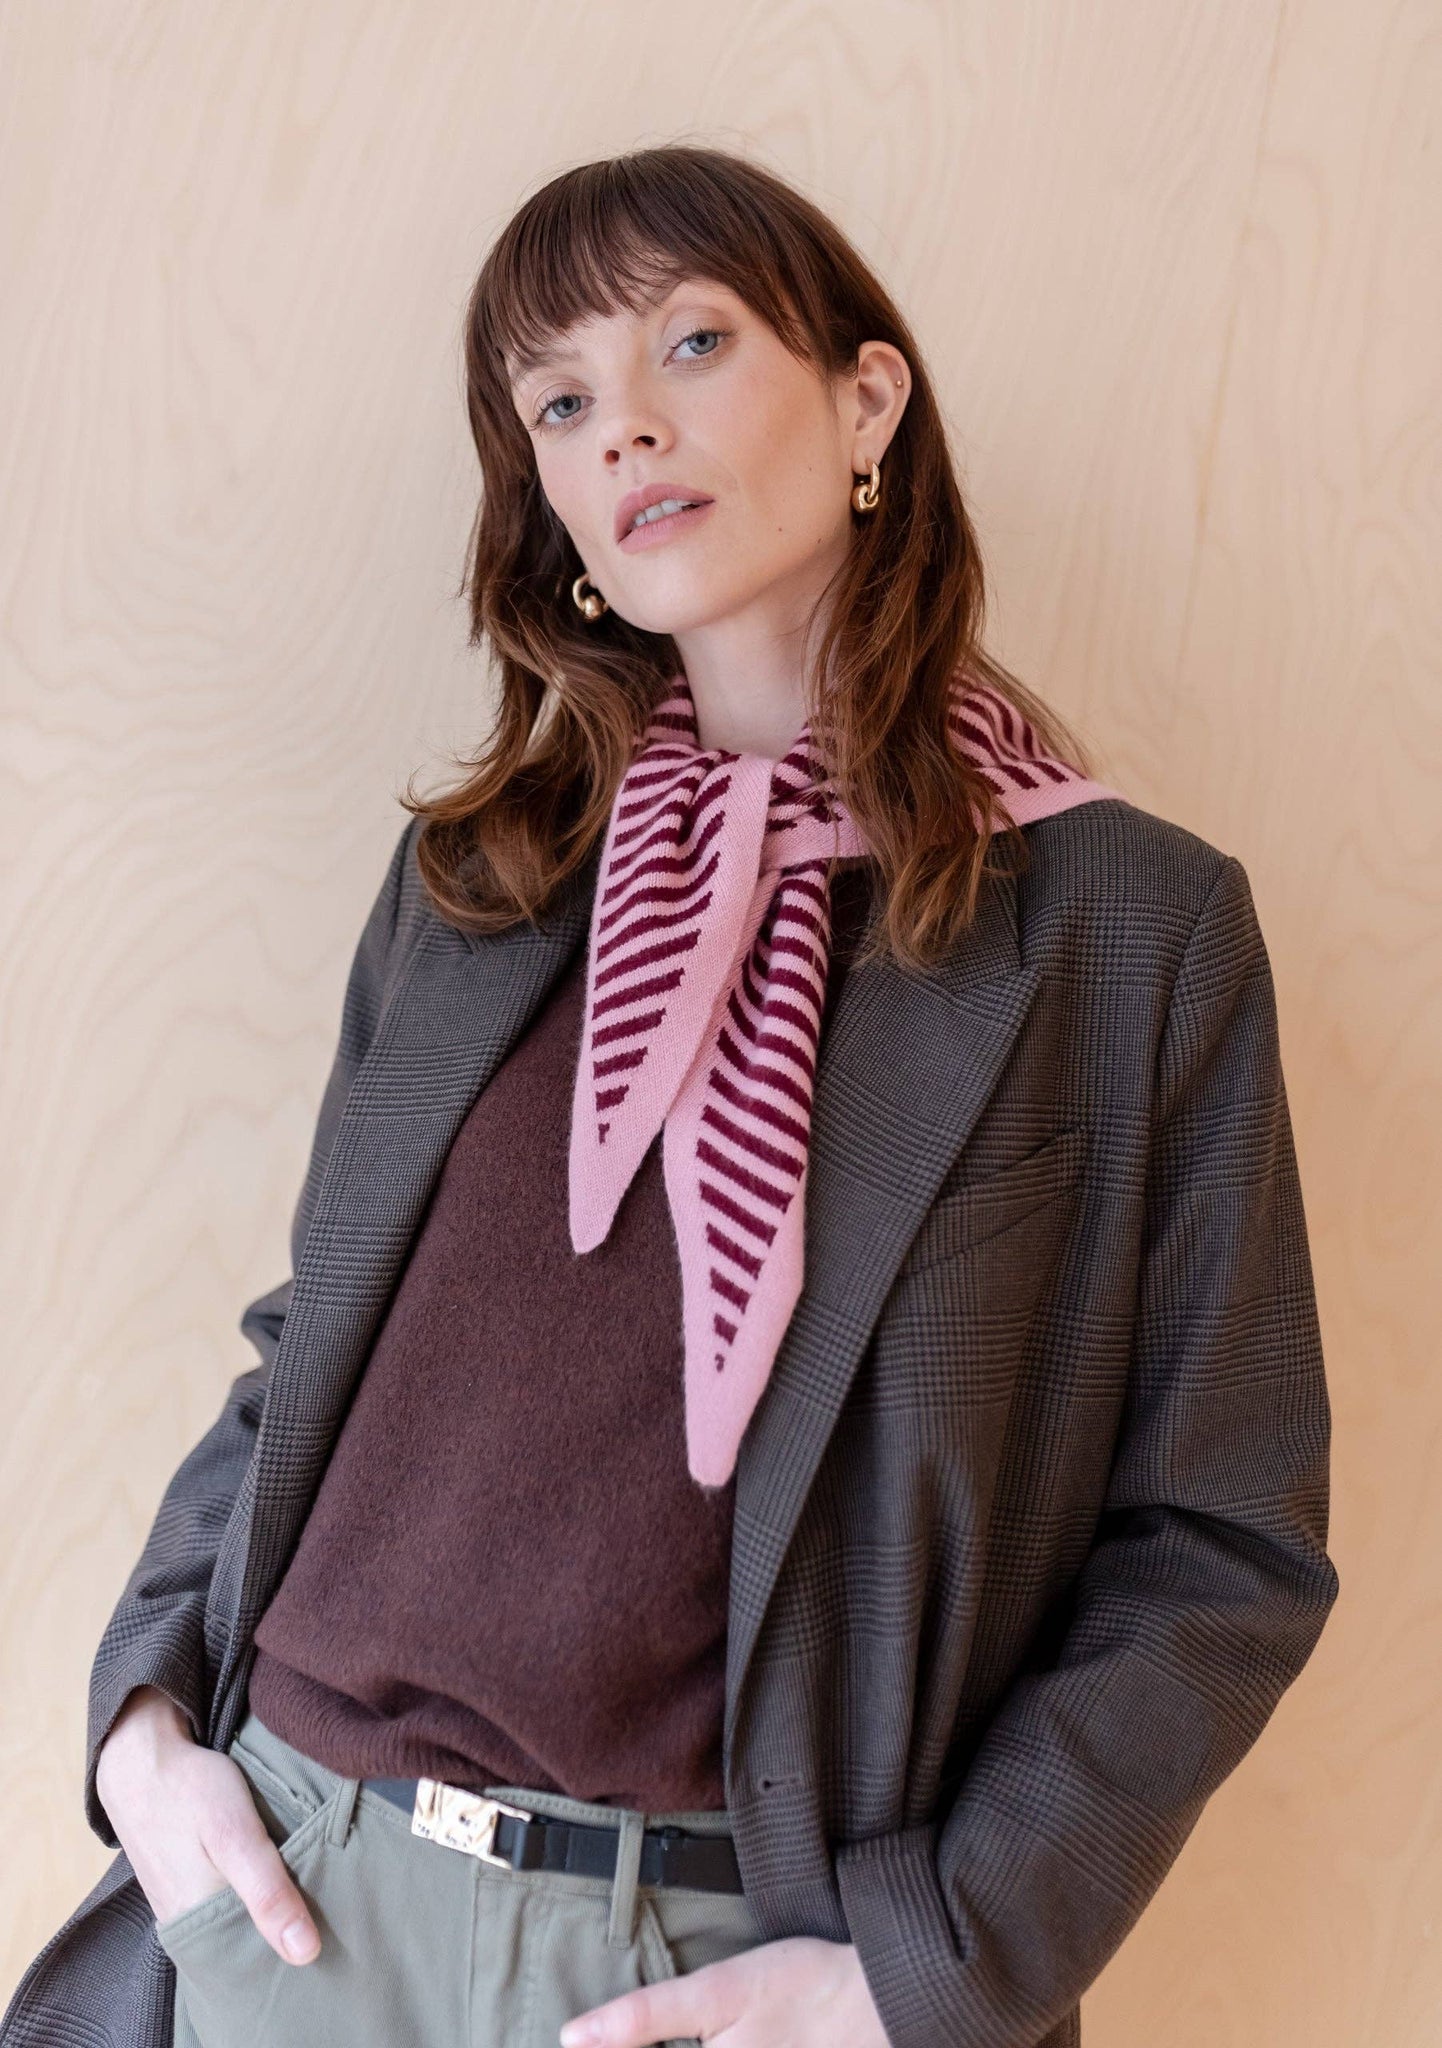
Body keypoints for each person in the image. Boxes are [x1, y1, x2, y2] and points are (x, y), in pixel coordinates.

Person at [4, 144, 1339, 2048]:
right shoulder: (478, 884)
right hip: (291, 1899)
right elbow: (313, 1347)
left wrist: (914, 1978)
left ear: (865, 401)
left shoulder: (1121, 930)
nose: (623, 426)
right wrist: (144, 1724)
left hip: (715, 1963)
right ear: (545, 497)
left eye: (690, 344)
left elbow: (1220, 1538)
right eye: (558, 402)